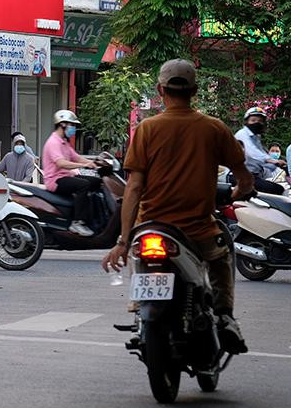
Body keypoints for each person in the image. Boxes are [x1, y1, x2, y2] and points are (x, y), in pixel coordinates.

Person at [102, 59, 253, 354]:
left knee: (139, 255)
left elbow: (134, 188)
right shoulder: (214, 128)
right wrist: (239, 192)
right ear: (194, 91)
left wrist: (123, 241)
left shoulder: (146, 129)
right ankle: (225, 317)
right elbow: (244, 178)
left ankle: (139, 308)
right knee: (222, 258)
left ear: (160, 90)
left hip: (150, 228)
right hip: (198, 231)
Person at [42, 109, 100, 237]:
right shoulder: (53, 142)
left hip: (65, 176)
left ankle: (94, 217)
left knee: (96, 181)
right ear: (62, 124)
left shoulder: (64, 142)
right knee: (83, 185)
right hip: (55, 180)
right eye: (72, 125)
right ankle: (77, 222)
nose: (73, 128)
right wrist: (84, 165)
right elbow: (61, 163)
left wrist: (94, 163)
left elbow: (76, 157)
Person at [234, 107, 284, 195]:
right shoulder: (242, 134)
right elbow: (252, 153)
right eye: (253, 120)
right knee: (277, 190)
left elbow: (261, 156)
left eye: (260, 121)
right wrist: (273, 161)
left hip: (253, 176)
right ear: (246, 122)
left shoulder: (256, 137)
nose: (257, 123)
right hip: (240, 176)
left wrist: (278, 167)